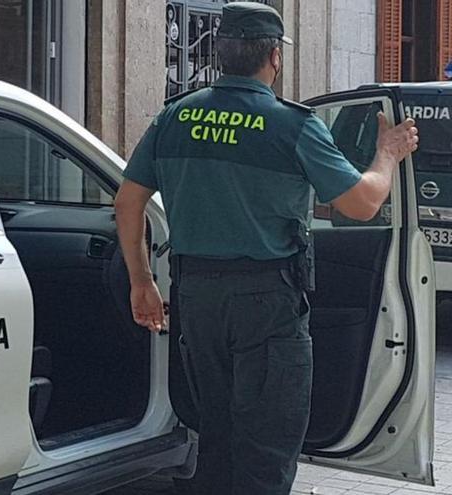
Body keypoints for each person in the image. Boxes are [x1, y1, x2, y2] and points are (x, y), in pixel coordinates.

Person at [114, 2, 419, 494]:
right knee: (269, 443)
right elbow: (362, 204)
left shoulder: (174, 117)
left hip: (196, 300)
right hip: (267, 304)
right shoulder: (290, 124)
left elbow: (128, 204)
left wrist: (142, 282)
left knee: (214, 432)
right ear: (274, 57)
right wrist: (386, 154)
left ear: (219, 53)